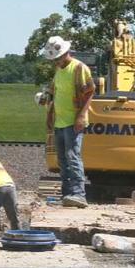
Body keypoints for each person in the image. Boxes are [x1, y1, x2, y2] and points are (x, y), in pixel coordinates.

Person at [44, 35, 95, 208]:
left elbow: (89, 91)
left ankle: (79, 194)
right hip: (60, 121)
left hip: (73, 121)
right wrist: (50, 114)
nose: (56, 61)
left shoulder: (79, 68)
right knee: (62, 160)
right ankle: (67, 194)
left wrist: (80, 116)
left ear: (66, 52)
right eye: (54, 59)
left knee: (73, 157)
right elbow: (54, 93)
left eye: (58, 58)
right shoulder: (58, 70)